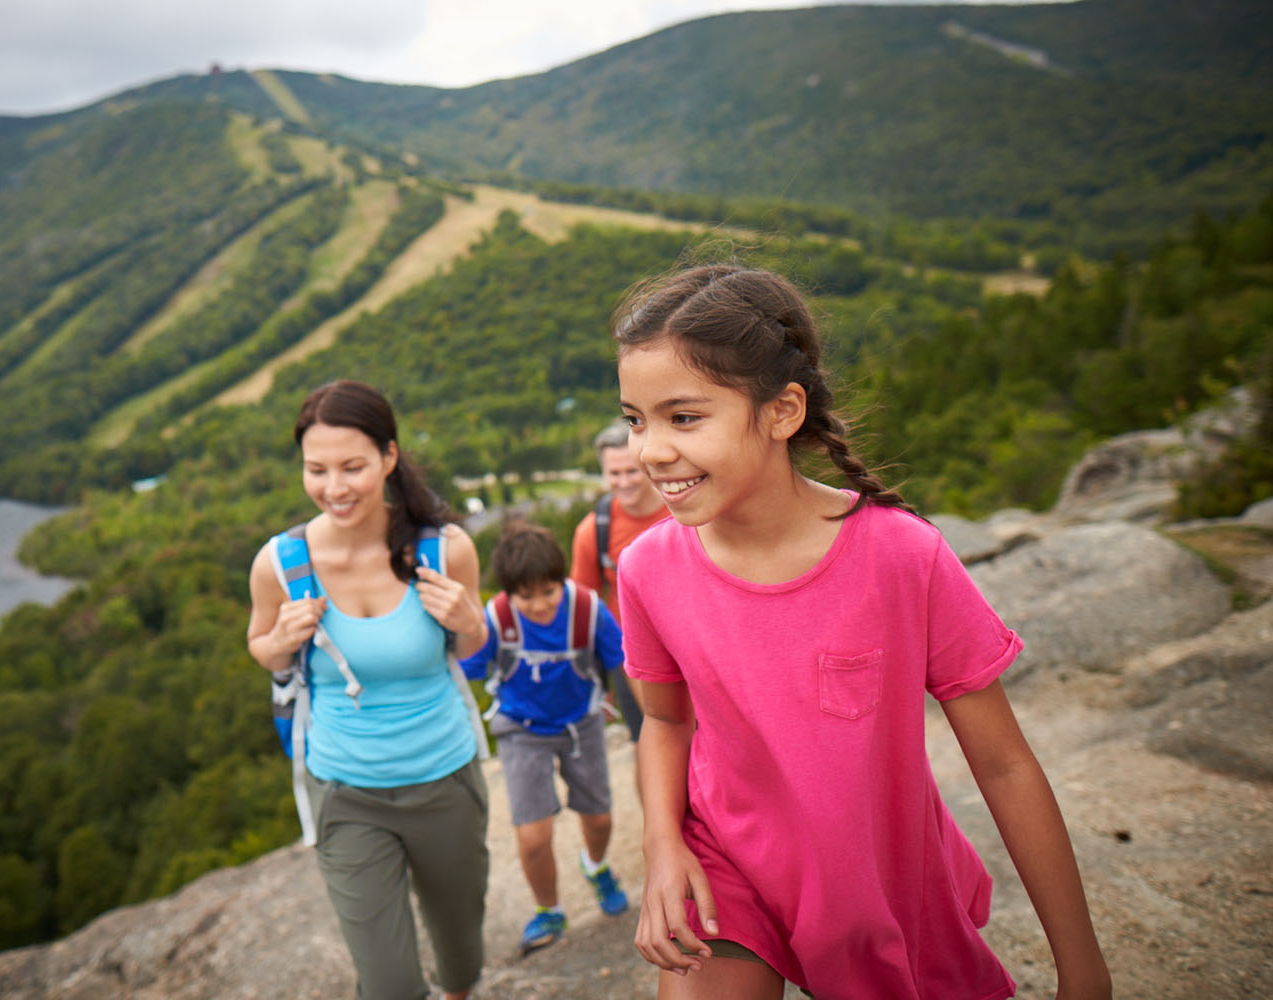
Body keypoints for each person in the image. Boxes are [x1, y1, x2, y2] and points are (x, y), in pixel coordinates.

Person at [612, 265, 1112, 1000]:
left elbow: (1004, 766)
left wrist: (1083, 969)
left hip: (877, 882)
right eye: (635, 419)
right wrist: (663, 848)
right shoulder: (647, 568)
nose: (649, 450)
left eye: (683, 418)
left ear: (782, 412)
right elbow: (663, 720)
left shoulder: (903, 557)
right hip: (728, 870)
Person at [245, 379, 491, 1000]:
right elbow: (261, 648)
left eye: (352, 466)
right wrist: (280, 638)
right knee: (388, 984)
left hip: (445, 779)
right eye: (316, 469)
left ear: (388, 457)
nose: (334, 487)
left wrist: (468, 622)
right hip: (345, 790)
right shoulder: (280, 563)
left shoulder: (446, 549)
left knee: (461, 953)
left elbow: (476, 652)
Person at [460, 520, 630, 956]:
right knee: (533, 837)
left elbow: (624, 662)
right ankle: (549, 909)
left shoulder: (587, 610)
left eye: (548, 591)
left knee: (599, 819)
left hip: (582, 724)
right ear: (509, 592)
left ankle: (595, 866)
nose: (538, 605)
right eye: (525, 595)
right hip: (522, 731)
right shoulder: (496, 619)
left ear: (562, 580)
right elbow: (467, 668)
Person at [569, 422, 667, 750]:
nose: (623, 482)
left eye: (631, 471)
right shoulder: (594, 531)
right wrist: (595, 678)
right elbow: (584, 607)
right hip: (633, 657)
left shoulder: (682, 509)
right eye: (614, 474)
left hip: (694, 646)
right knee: (650, 745)